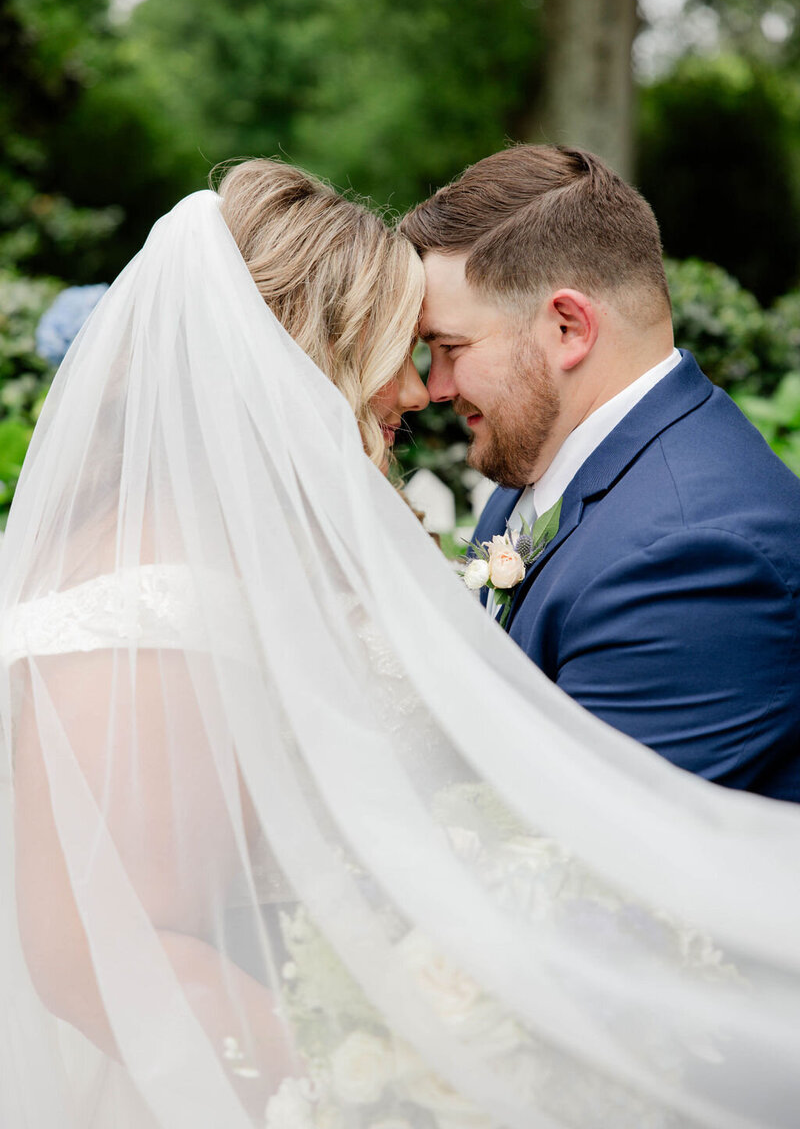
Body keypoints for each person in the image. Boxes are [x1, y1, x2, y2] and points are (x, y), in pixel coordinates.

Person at [2, 157, 800, 1129]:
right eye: (405, 348)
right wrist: (365, 1089)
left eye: (440, 346)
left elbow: (595, 886)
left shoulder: (681, 540)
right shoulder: (156, 598)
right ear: (307, 357)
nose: (420, 390)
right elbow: (97, 944)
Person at [401, 144, 800, 802]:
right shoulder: (539, 465)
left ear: (567, 328)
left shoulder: (698, 558)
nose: (435, 386)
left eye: (450, 348)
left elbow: (585, 872)